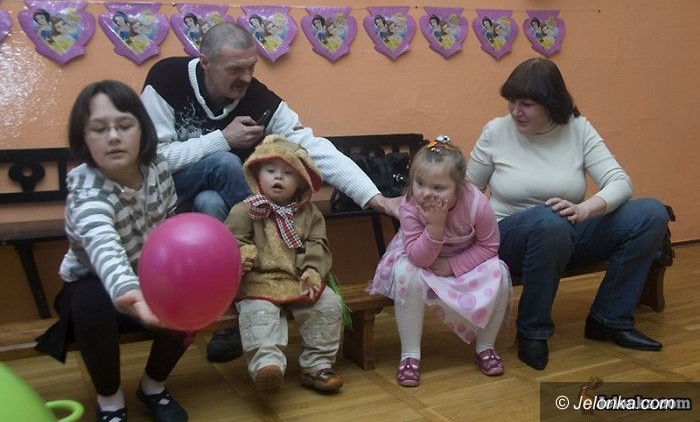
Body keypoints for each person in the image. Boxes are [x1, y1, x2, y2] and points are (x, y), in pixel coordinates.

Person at [139, 22, 398, 363]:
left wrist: (374, 197)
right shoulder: (166, 79)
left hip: (210, 221)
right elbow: (152, 158)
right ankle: (273, 263)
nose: (246, 78)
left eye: (251, 67)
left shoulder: (257, 98)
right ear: (206, 63)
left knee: (210, 201)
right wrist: (222, 139)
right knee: (225, 162)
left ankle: (231, 302)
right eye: (235, 69)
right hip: (165, 201)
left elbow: (309, 148)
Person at [466, 58, 669, 371]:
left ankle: (609, 319)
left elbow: (620, 182)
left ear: (551, 103)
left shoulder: (578, 129)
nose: (516, 111)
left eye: (526, 104)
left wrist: (585, 209)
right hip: (509, 237)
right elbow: (469, 192)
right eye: (512, 102)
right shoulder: (496, 132)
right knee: (550, 221)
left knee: (651, 213)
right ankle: (532, 332)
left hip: (567, 232)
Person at [35, 80, 190, 422]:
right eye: (99, 129)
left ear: (142, 129)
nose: (114, 137)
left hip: (148, 275)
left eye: (124, 125)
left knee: (187, 295)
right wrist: (131, 293)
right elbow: (104, 247)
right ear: (84, 139)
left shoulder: (158, 168)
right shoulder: (86, 190)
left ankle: (153, 386)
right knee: (91, 301)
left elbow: (169, 227)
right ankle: (109, 400)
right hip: (94, 283)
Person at [370, 136, 511, 386]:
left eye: (438, 188)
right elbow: (418, 257)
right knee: (406, 272)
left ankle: (486, 347)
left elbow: (489, 246)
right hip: (421, 259)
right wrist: (435, 226)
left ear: (460, 186)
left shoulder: (476, 204)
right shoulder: (411, 206)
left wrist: (453, 266)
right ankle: (410, 355)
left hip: (464, 261)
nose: (426, 193)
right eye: (420, 183)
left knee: (500, 271)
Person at [226, 135, 344, 392]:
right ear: (257, 175)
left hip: (297, 278)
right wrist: (240, 256)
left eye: (288, 173)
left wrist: (312, 270)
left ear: (300, 182)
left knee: (327, 305)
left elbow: (317, 244)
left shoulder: (310, 214)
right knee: (260, 313)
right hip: (258, 280)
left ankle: (317, 365)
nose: (278, 177)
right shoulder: (244, 210)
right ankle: (267, 365)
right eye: (270, 171)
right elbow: (230, 241)